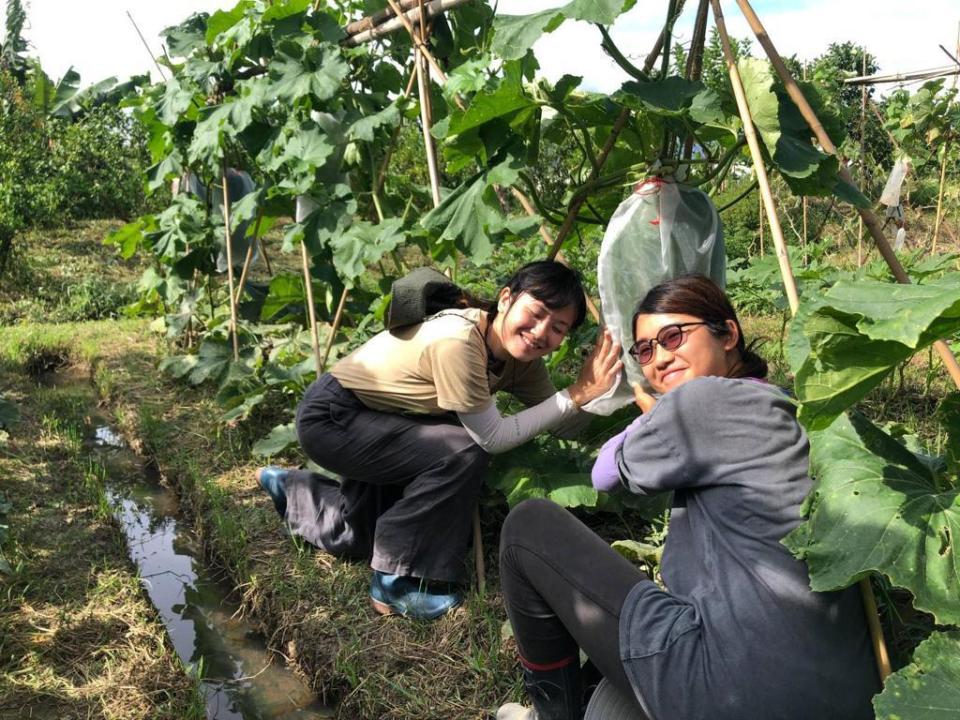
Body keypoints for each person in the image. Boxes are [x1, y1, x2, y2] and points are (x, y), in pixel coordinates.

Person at [496, 274, 879, 720]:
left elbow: (603, 474)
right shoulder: (790, 409)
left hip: (732, 686)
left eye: (673, 336)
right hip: (841, 696)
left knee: (529, 525)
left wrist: (648, 419)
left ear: (729, 333)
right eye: (645, 350)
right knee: (607, 703)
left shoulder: (702, 398)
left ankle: (550, 714)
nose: (659, 358)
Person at [257, 261, 622, 620]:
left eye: (558, 328)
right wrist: (575, 393)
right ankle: (397, 580)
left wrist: (595, 392)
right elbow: (492, 438)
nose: (541, 332)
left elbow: (560, 424)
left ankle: (293, 490)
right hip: (335, 418)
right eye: (537, 313)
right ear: (507, 298)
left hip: (386, 419)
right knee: (462, 450)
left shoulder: (520, 361)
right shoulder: (459, 340)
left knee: (360, 535)